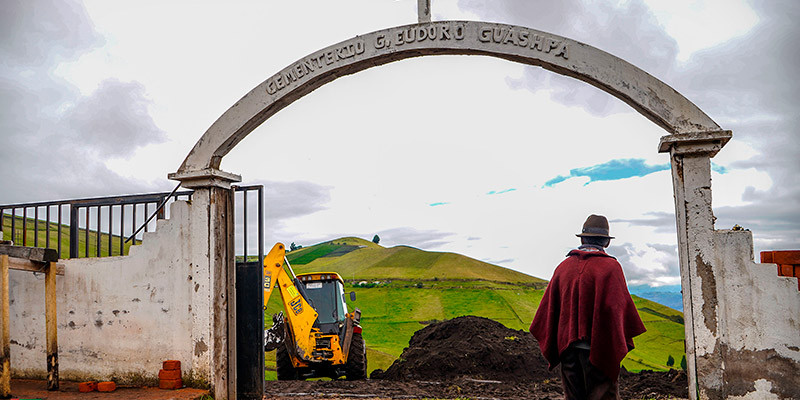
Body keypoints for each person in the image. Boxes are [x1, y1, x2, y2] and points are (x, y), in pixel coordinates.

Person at [530, 214, 646, 400]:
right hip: (598, 350)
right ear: (606, 243)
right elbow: (616, 309)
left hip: (567, 349)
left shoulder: (563, 267)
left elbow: (550, 309)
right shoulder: (610, 268)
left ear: (583, 239)